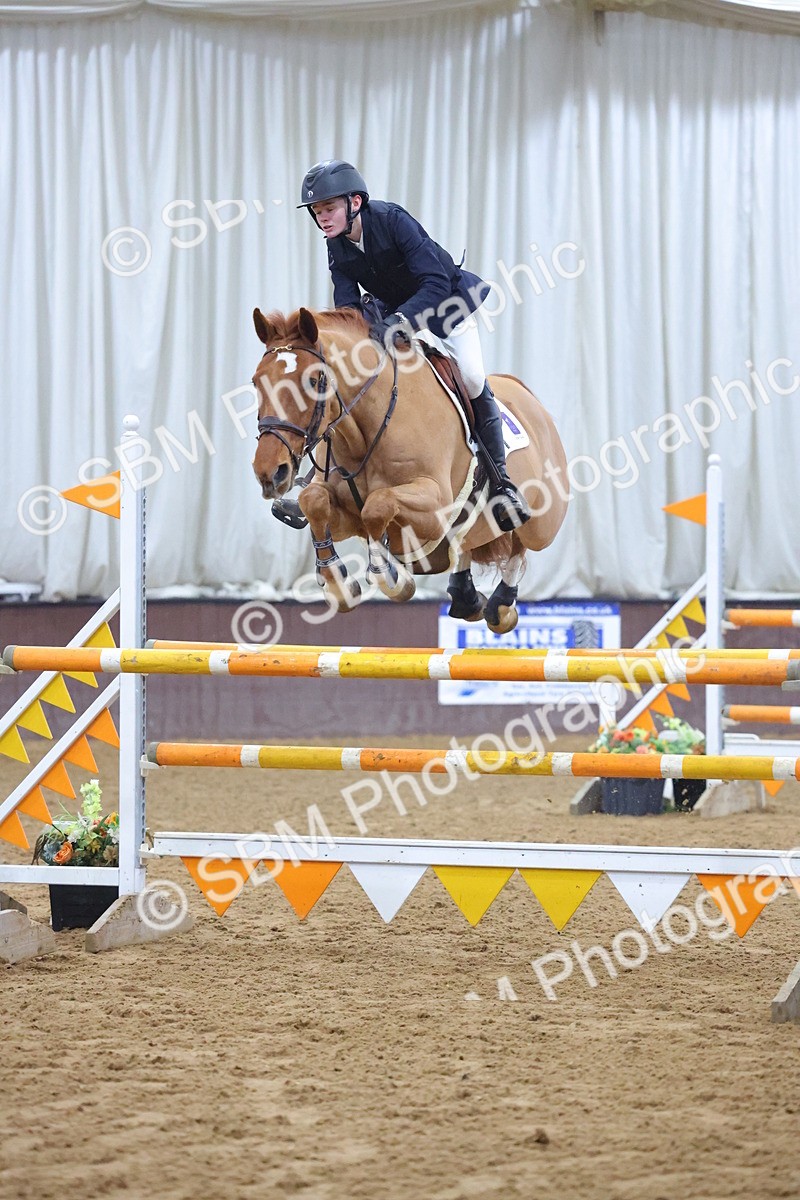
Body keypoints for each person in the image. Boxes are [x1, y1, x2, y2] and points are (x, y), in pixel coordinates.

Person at [292, 158, 531, 532]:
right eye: (318, 211)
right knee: (351, 379)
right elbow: (347, 304)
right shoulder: (336, 245)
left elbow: (434, 282)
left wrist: (401, 322)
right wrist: (355, 338)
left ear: (355, 202)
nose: (322, 218)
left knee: (470, 378)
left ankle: (501, 483)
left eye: (329, 208)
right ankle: (314, 477)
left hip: (445, 305)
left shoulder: (392, 220)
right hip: (390, 313)